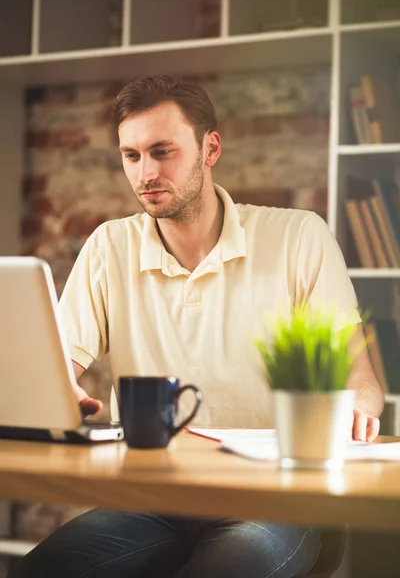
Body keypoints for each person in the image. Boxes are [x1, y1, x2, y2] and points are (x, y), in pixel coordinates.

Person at [10, 75, 383, 578]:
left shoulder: (298, 238)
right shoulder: (109, 247)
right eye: (132, 155)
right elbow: (57, 372)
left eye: (163, 151)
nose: (146, 172)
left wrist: (356, 408)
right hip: (149, 499)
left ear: (211, 148)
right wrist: (57, 396)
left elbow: (361, 383)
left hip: (273, 499)